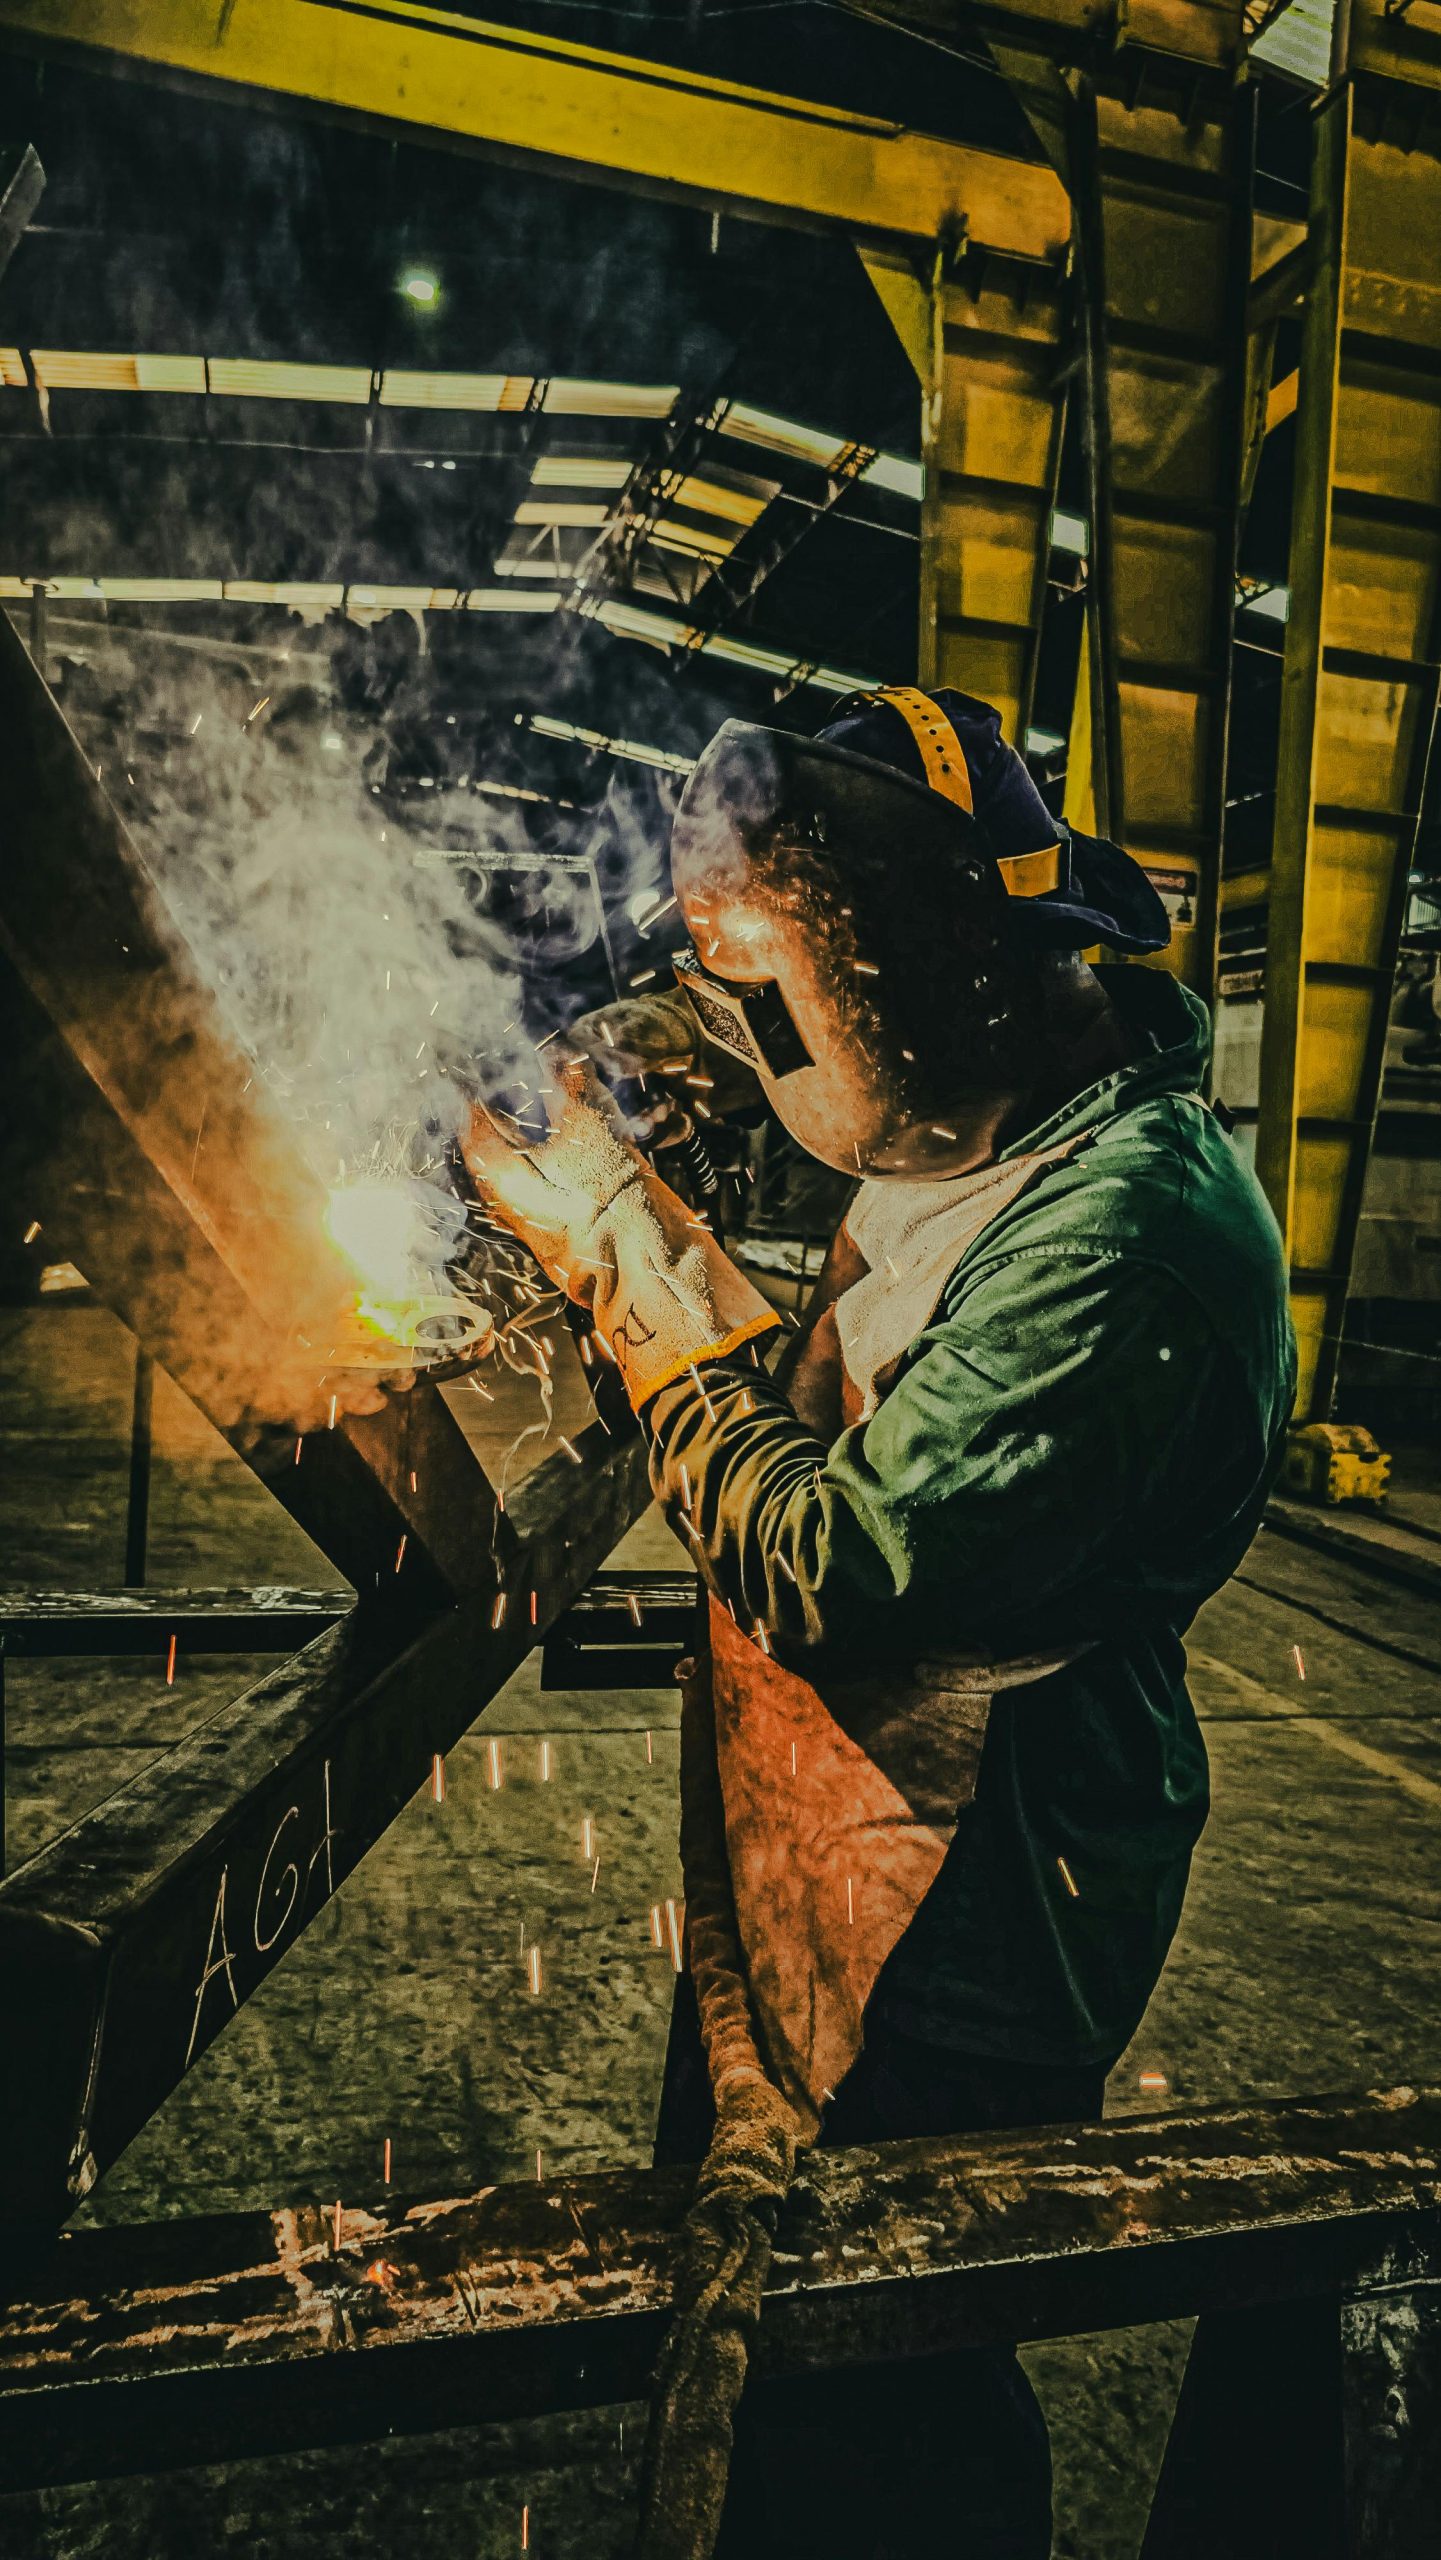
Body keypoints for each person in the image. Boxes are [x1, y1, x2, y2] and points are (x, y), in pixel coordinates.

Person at [465, 684, 1296, 2557]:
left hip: (979, 1886)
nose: (748, 1038)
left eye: (772, 1002)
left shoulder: (1123, 1237)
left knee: (871, 2375)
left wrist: (625, 1244)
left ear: (920, 975)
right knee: (767, 2306)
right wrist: (667, 1089)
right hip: (854, 1845)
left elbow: (837, 1570)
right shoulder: (1006, 1113)